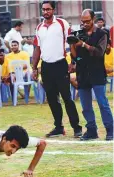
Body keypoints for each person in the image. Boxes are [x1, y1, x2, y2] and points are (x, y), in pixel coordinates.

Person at [32, 1, 82, 138]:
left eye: (48, 9)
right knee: (52, 99)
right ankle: (59, 127)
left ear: (53, 10)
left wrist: (73, 61)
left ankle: (77, 127)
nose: (45, 12)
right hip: (46, 66)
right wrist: (34, 68)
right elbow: (37, 48)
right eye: (43, 9)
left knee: (67, 98)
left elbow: (72, 42)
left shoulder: (62, 24)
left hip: (60, 64)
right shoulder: (39, 27)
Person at [70, 9, 113, 141]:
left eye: (87, 21)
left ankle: (110, 129)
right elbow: (75, 57)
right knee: (85, 105)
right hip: (82, 73)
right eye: (82, 22)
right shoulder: (78, 34)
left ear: (93, 19)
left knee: (102, 103)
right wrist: (72, 45)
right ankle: (91, 130)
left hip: (97, 72)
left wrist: (83, 44)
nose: (84, 24)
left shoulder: (102, 33)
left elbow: (99, 52)